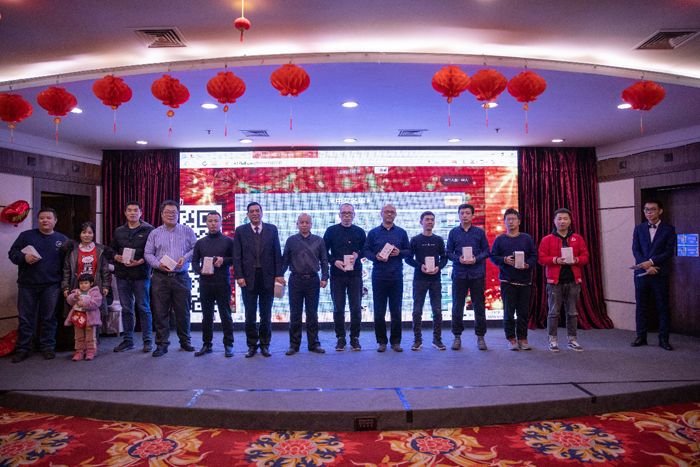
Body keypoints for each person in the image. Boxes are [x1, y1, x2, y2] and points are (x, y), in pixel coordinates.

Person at [8, 207, 68, 363]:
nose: (45, 221)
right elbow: (12, 254)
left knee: (49, 318)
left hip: (52, 285)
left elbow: (68, 263)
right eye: (42, 218)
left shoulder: (62, 239)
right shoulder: (26, 236)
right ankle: (23, 348)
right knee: (25, 319)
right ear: (38, 220)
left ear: (55, 220)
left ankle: (47, 346)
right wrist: (24, 257)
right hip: (27, 285)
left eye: (48, 218)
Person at [144, 200, 197, 357]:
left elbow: (196, 248)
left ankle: (185, 341)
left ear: (178, 214)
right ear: (161, 214)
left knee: (183, 311)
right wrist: (158, 264)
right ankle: (161, 344)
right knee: (160, 311)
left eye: (174, 212)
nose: (171, 215)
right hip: (160, 277)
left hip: (181, 277)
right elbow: (148, 253)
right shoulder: (155, 233)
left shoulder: (187, 231)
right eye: (167, 212)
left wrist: (185, 257)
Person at [232, 202, 285, 358]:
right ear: (247, 215)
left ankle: (265, 344)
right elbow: (237, 256)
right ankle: (252, 345)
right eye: (251, 211)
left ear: (262, 213)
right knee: (250, 315)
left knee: (265, 314)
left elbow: (277, 253)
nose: (254, 213)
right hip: (248, 279)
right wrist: (239, 276)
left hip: (267, 278)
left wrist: (279, 274)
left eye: (257, 211)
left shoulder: (272, 229)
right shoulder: (240, 231)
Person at [538, 208, 589, 352]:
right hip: (554, 282)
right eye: (559, 219)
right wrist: (555, 260)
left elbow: (585, 256)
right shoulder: (547, 239)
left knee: (572, 312)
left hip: (573, 280)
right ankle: (552, 340)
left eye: (565, 219)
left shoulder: (577, 238)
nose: (562, 221)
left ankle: (572, 340)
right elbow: (541, 258)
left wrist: (576, 260)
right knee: (553, 312)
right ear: (554, 221)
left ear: (570, 221)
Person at [363, 204, 410, 352]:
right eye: (386, 212)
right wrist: (375, 257)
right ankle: (381, 342)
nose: (389, 214)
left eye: (392, 212)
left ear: (395, 214)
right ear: (381, 213)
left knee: (396, 311)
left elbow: (409, 251)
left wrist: (399, 253)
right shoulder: (373, 233)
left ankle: (396, 342)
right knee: (379, 311)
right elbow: (366, 251)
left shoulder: (401, 232)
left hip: (396, 276)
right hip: (379, 276)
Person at [489, 208, 538, 351]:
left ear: (519, 222)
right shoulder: (500, 239)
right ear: (504, 222)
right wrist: (504, 260)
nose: (511, 222)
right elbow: (493, 257)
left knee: (523, 312)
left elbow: (534, 256)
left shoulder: (526, 238)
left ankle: (523, 338)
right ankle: (511, 339)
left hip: (525, 280)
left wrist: (527, 264)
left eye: (514, 219)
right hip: (507, 280)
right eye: (508, 219)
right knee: (509, 313)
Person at [109, 201, 155, 353]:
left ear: (141, 213)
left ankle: (147, 341)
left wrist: (141, 261)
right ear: (125, 213)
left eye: (136, 210)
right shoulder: (119, 231)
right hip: (122, 275)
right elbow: (111, 249)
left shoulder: (149, 230)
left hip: (141, 275)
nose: (132, 213)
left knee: (143, 307)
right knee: (127, 309)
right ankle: (128, 340)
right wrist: (115, 257)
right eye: (129, 210)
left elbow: (154, 251)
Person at [632, 199, 676, 351]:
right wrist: (645, 265)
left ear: (660, 211)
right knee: (641, 306)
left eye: (652, 209)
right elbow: (635, 249)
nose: (649, 212)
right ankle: (641, 336)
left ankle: (664, 339)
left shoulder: (669, 229)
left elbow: (669, 251)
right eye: (646, 209)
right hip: (641, 273)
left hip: (659, 273)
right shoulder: (639, 229)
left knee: (663, 307)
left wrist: (651, 262)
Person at [283, 213, 329, 355]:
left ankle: (314, 344)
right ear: (297, 224)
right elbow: (285, 261)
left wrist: (325, 277)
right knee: (295, 314)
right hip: (295, 280)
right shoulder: (291, 240)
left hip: (313, 281)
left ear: (311, 224)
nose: (304, 225)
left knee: (312, 314)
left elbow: (324, 260)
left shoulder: (319, 240)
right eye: (301, 222)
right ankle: (294, 345)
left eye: (307, 222)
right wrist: (279, 275)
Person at [446, 203, 490, 351]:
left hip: (477, 274)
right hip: (459, 274)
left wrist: (476, 259)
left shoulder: (479, 232)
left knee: (479, 306)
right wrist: (458, 259)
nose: (464, 216)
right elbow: (448, 252)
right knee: (457, 306)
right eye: (462, 213)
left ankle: (481, 337)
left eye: (467, 213)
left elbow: (487, 251)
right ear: (459, 215)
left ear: (472, 215)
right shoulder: (453, 232)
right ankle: (457, 337)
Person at [323, 203, 366, 351]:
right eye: (344, 213)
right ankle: (340, 338)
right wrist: (334, 261)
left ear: (354, 215)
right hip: (337, 275)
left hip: (355, 275)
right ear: (339, 215)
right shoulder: (331, 231)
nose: (346, 216)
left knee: (356, 308)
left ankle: (355, 338)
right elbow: (323, 252)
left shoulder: (359, 231)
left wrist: (358, 255)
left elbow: (366, 250)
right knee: (338, 308)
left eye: (349, 213)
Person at [192, 211, 235, 357]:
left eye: (216, 220)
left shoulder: (228, 241)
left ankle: (228, 344)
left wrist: (224, 260)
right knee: (207, 315)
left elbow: (235, 259)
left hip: (222, 282)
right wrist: (199, 271)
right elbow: (194, 261)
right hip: (205, 283)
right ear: (206, 223)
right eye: (210, 221)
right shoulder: (200, 242)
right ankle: (206, 344)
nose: (213, 224)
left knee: (225, 314)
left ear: (221, 222)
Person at [405, 211, 448, 351]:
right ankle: (417, 340)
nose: (430, 222)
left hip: (435, 279)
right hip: (420, 279)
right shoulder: (415, 240)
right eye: (427, 219)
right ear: (421, 222)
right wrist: (420, 266)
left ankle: (437, 339)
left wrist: (438, 267)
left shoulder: (439, 240)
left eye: (432, 220)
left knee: (437, 311)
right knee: (417, 311)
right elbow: (408, 259)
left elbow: (444, 258)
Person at [62, 221, 111, 329]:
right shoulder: (72, 250)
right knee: (77, 313)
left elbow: (105, 270)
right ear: (80, 234)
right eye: (84, 232)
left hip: (95, 287)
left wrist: (106, 286)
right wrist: (65, 287)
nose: (87, 235)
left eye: (90, 232)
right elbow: (67, 270)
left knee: (95, 315)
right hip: (77, 286)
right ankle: (79, 339)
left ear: (93, 234)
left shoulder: (101, 250)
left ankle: (94, 338)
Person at [64, 273, 103, 361]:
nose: (83, 285)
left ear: (91, 283)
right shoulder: (76, 292)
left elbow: (96, 303)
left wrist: (84, 304)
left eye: (86, 283)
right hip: (78, 319)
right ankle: (79, 352)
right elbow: (69, 299)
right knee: (78, 336)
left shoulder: (95, 293)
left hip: (90, 319)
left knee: (90, 336)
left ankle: (90, 351)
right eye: (81, 283)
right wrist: (74, 297)